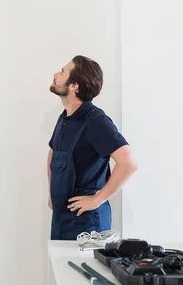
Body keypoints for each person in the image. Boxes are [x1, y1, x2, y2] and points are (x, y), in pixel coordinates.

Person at [47, 55, 137, 240]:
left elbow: (128, 163)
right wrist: (53, 192)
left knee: (84, 269)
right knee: (61, 268)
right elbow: (53, 154)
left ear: (74, 86)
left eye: (62, 72)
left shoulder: (96, 121)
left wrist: (98, 199)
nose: (55, 74)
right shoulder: (65, 118)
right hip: (62, 217)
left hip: (87, 222)